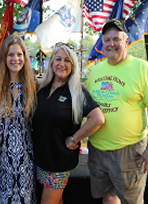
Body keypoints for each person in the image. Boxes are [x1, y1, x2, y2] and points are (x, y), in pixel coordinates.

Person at [86, 18, 148, 204]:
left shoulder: (142, 68)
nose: (111, 44)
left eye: (116, 39)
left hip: (129, 153)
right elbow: (86, 109)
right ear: (102, 43)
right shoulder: (96, 71)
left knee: (131, 200)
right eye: (107, 40)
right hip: (97, 150)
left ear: (126, 41)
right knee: (108, 196)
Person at [32, 42, 105, 204]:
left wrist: (74, 139)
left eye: (67, 60)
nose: (62, 64)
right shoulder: (42, 88)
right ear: (51, 62)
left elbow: (98, 118)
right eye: (58, 59)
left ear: (72, 65)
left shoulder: (77, 92)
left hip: (59, 162)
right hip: (41, 159)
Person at [0, 35, 37, 204]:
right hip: (1, 154)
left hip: (25, 154)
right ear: (4, 57)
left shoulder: (33, 85)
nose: (15, 59)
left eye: (19, 54)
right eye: (11, 55)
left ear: (25, 57)